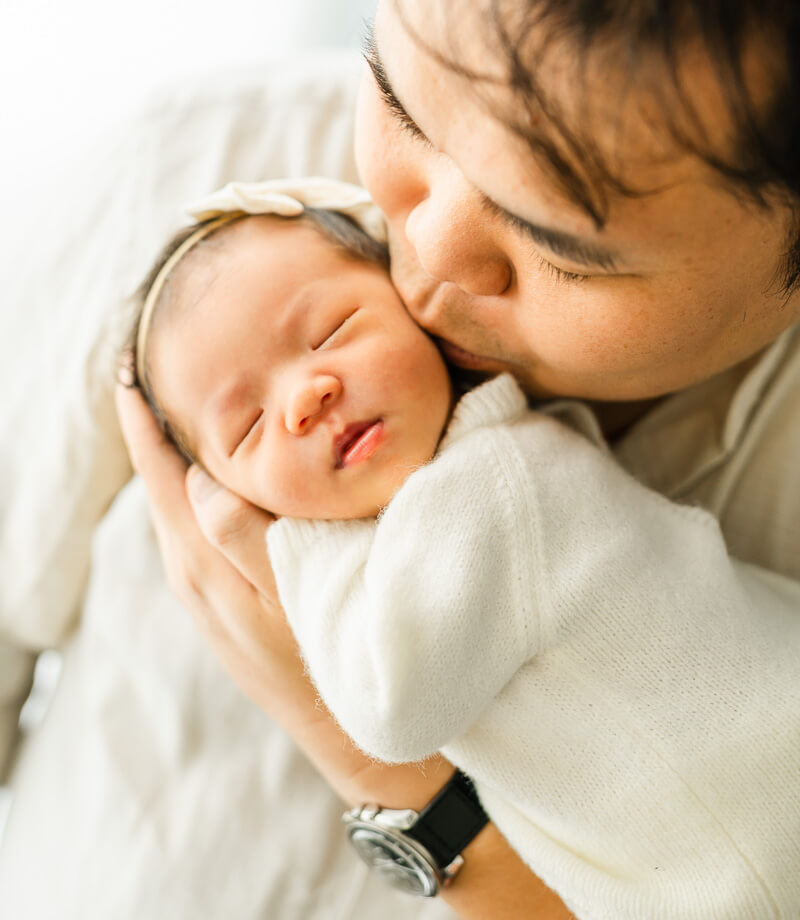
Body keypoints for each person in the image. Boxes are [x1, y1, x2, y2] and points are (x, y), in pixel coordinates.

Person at [115, 0, 800, 916]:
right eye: (396, 101)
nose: (421, 265)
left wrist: (384, 768)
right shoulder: (183, 174)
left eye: (555, 248)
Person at [126, 175, 800, 918]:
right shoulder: (496, 472)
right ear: (228, 491)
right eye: (249, 428)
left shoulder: (492, 489)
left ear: (415, 310)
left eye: (333, 331)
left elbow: (389, 713)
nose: (305, 395)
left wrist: (297, 553)